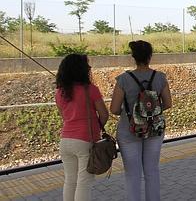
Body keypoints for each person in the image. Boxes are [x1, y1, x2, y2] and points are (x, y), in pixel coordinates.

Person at [110, 40, 172, 201]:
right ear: (150, 56)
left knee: (132, 175)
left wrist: (133, 114)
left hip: (128, 132)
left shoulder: (123, 79)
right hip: (154, 129)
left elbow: (114, 109)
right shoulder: (160, 77)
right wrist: (149, 113)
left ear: (133, 57)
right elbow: (168, 103)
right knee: (152, 171)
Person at [55, 54, 109, 201]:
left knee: (70, 181)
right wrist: (97, 126)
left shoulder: (59, 92)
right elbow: (104, 114)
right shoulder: (91, 90)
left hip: (65, 141)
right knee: (84, 182)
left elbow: (64, 116)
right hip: (85, 140)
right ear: (82, 69)